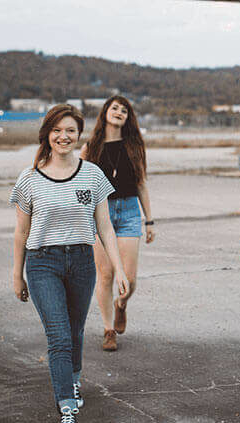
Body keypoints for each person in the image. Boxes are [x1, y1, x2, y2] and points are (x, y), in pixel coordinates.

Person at [10, 104, 131, 422]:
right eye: (57, 130)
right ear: (47, 134)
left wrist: (118, 268)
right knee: (59, 335)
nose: (63, 137)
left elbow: (105, 227)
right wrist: (17, 274)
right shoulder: (30, 178)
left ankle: (73, 380)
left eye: (70, 131)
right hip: (42, 264)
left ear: (79, 135)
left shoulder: (92, 174)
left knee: (75, 331)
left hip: (81, 261)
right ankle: (66, 403)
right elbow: (21, 231)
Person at [81, 96, 155, 352]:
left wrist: (150, 220)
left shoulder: (135, 146)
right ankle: (108, 329)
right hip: (100, 215)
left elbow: (142, 185)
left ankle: (120, 305)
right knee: (105, 274)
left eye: (124, 110)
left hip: (129, 213)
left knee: (130, 278)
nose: (119, 112)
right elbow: (83, 186)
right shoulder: (90, 147)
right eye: (115, 108)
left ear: (128, 118)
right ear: (105, 112)